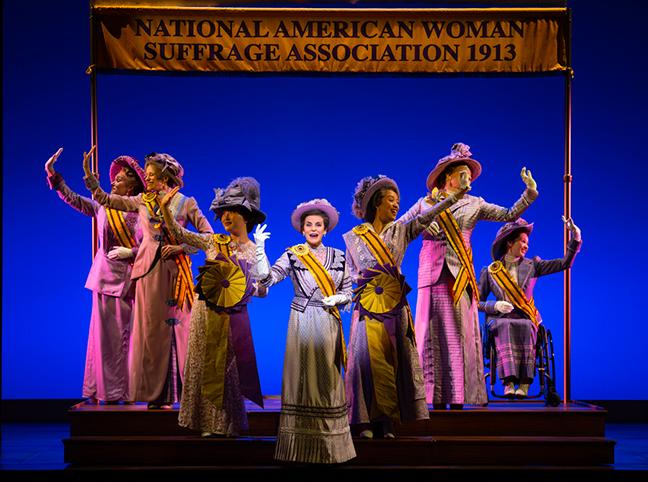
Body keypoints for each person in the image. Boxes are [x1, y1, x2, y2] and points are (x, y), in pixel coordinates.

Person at [399, 142, 539, 409]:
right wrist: (415, 223)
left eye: (470, 174)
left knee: (459, 337)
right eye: (463, 173)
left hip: (460, 276)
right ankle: (429, 396)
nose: (469, 179)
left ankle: (459, 397)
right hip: (432, 274)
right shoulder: (425, 203)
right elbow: (401, 228)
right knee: (430, 336)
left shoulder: (475, 203)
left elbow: (508, 214)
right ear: (448, 177)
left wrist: (529, 193)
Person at [83, 147, 213, 409]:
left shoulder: (186, 203)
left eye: (152, 174)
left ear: (165, 177)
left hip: (175, 274)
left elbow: (207, 236)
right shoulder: (143, 200)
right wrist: (91, 179)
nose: (147, 178)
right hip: (147, 274)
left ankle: (185, 394)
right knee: (151, 335)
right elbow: (108, 200)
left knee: (179, 330)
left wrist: (181, 247)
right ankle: (156, 395)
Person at [343, 175, 466, 439]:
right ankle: (364, 421)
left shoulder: (401, 230)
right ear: (376, 203)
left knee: (393, 359)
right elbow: (351, 272)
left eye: (398, 201)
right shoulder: (354, 237)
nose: (396, 205)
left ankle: (387, 420)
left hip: (394, 305)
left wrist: (453, 198)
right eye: (390, 200)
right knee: (366, 362)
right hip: (367, 307)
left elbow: (427, 216)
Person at [158, 178, 268, 437]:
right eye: (223, 212)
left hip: (232, 318)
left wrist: (251, 286)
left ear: (246, 215)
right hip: (205, 313)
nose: (226, 217)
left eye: (232, 211)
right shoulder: (213, 242)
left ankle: (225, 423)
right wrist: (165, 210)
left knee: (227, 369)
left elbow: (264, 290)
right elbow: (182, 234)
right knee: (203, 363)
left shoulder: (254, 250)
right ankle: (204, 422)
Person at [254, 199, 356, 464]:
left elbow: (349, 290)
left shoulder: (339, 256)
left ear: (326, 229)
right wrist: (260, 249)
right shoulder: (293, 254)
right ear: (302, 229)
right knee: (301, 377)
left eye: (318, 225)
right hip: (301, 319)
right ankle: (298, 448)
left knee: (327, 379)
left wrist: (341, 298)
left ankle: (331, 447)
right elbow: (268, 279)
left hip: (328, 319)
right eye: (308, 224)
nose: (313, 228)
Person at [46, 147, 145, 404]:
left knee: (127, 338)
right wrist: (54, 176)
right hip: (104, 278)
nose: (114, 182)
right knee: (104, 339)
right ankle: (105, 391)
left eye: (120, 179)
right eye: (114, 179)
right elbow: (75, 200)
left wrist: (133, 252)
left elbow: (151, 245)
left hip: (130, 281)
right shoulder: (103, 206)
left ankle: (127, 391)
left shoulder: (142, 210)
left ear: (132, 185)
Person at [478, 217, 581, 398]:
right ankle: (508, 383)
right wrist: (495, 305)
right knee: (504, 325)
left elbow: (564, 263)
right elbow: (476, 302)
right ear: (510, 242)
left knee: (527, 326)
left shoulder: (533, 265)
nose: (527, 246)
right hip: (500, 319)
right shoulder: (490, 271)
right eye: (523, 241)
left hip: (526, 316)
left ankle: (525, 383)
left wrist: (576, 238)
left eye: (527, 243)